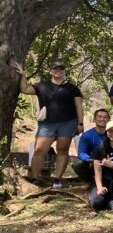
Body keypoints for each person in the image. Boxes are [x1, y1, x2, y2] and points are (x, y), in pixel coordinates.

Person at [11, 59, 84, 188]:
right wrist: (23, 75)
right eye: (55, 69)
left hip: (67, 123)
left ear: (64, 71)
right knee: (39, 150)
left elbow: (79, 106)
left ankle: (57, 180)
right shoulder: (42, 86)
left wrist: (80, 123)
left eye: (61, 69)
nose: (58, 71)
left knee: (62, 150)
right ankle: (35, 179)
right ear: (51, 71)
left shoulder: (72, 88)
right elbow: (25, 89)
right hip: (47, 124)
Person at [73, 108, 110, 182]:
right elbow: (82, 153)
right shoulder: (87, 135)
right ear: (95, 119)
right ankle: (90, 182)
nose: (102, 119)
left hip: (109, 162)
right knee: (78, 163)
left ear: (108, 120)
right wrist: (90, 159)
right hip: (92, 162)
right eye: (99, 117)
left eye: (105, 117)